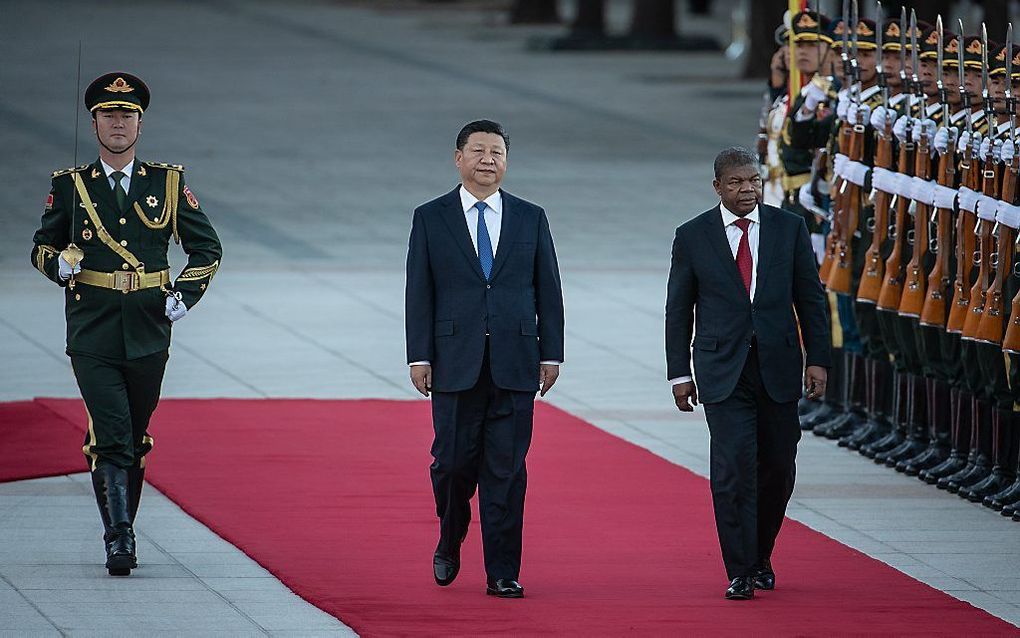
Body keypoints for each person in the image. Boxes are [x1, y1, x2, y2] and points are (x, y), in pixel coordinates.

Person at [30, 72, 222, 576]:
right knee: (112, 433)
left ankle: (124, 529)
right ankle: (120, 538)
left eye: (127, 115)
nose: (119, 123)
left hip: (148, 327)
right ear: (94, 123)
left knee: (135, 435)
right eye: (109, 115)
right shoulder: (70, 186)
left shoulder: (168, 183)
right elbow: (41, 246)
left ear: (140, 123)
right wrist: (58, 266)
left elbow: (207, 248)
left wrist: (185, 293)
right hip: (91, 327)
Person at [404, 119, 564, 598]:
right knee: (451, 465)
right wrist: (419, 356)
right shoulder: (431, 217)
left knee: (506, 471)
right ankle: (451, 537)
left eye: (497, 152)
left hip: (516, 360)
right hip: (454, 361)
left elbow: (548, 289)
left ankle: (502, 571)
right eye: (478, 151)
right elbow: (420, 291)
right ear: (459, 158)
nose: (488, 159)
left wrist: (551, 352)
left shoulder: (530, 216)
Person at [664, 147, 830, 600]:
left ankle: (760, 554)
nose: (747, 190)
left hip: (777, 366)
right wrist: (678, 372)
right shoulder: (693, 235)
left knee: (778, 466)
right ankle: (739, 568)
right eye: (736, 182)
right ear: (718, 187)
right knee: (734, 468)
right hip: (722, 370)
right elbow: (678, 309)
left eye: (753, 181)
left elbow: (811, 299)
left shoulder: (788, 228)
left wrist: (819, 358)